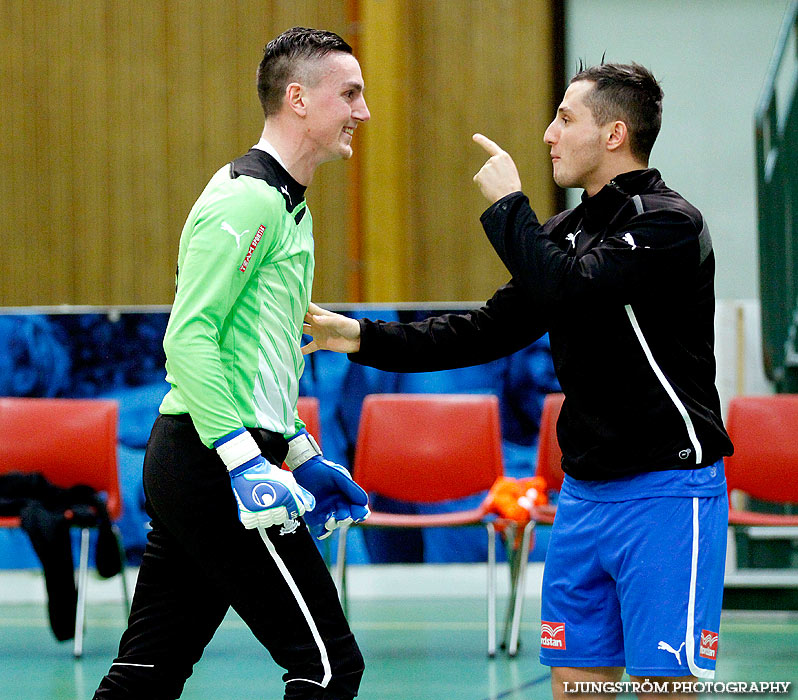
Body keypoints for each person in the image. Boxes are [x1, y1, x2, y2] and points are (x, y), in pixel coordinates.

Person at [302, 63, 733, 700]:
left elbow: (575, 293)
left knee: (664, 689)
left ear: (614, 134)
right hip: (583, 499)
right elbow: (482, 333)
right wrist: (361, 337)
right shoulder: (564, 234)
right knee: (576, 686)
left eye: (565, 119)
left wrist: (509, 205)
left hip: (667, 497)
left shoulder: (668, 223)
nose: (548, 135)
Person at [94, 27, 371, 700]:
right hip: (212, 464)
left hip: (213, 460)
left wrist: (301, 452)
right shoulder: (248, 199)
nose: (363, 112)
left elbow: (257, 353)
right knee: (329, 668)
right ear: (299, 99)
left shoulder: (287, 204)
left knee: (147, 673)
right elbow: (188, 340)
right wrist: (246, 462)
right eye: (350, 94)